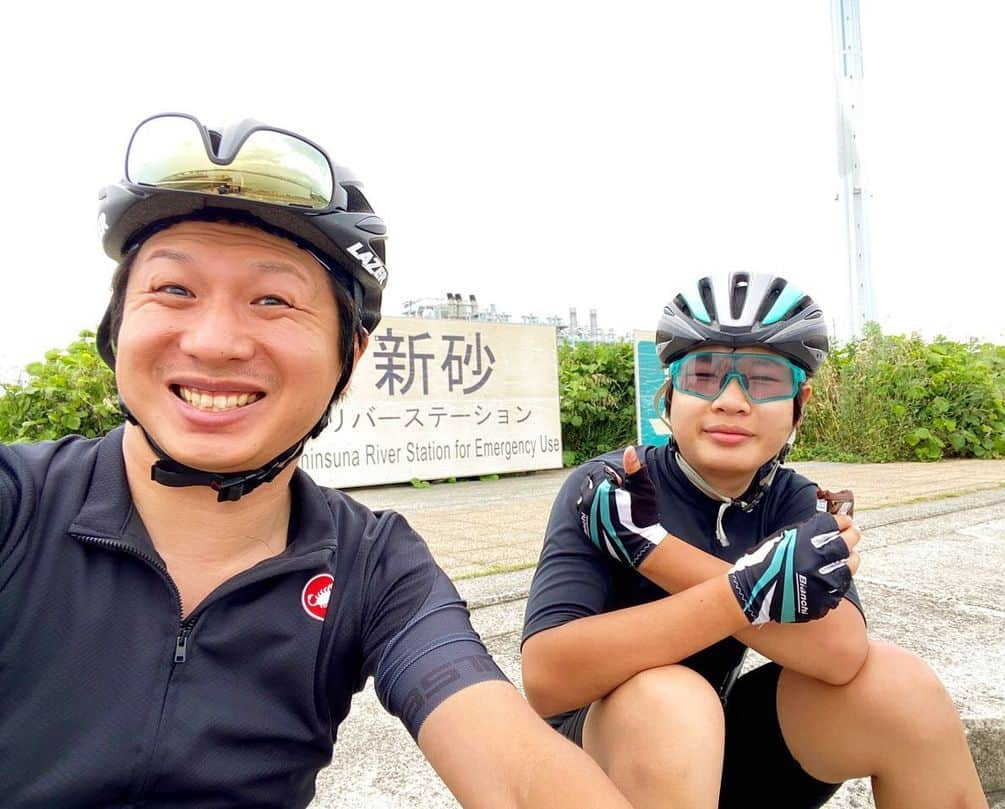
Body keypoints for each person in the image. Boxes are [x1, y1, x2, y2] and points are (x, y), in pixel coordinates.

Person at [0, 113, 634, 809]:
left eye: (272, 299)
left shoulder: (373, 564)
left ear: (351, 355)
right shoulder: (19, 504)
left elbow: (514, 766)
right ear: (118, 325)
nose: (214, 342)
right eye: (173, 289)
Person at [521, 272, 988, 808]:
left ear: (800, 405)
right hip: (590, 769)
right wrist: (752, 588)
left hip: (717, 753)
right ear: (668, 395)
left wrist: (656, 552)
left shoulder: (790, 498)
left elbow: (840, 655)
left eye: (764, 379)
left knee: (898, 687)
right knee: (673, 703)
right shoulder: (610, 490)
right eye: (704, 374)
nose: (732, 401)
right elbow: (547, 680)